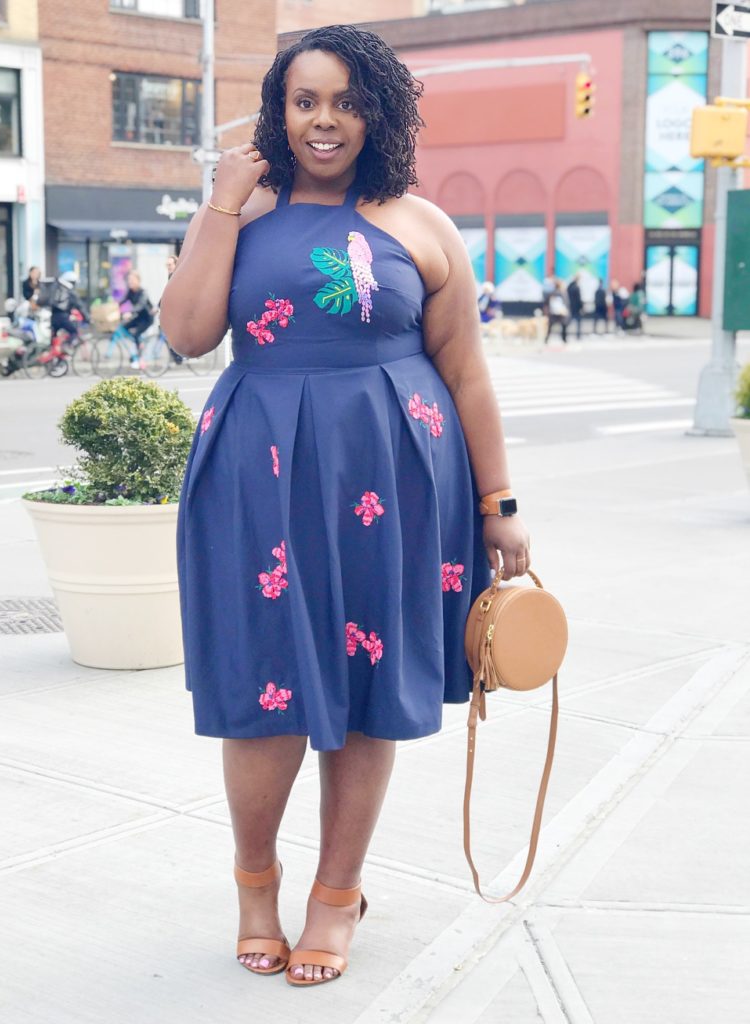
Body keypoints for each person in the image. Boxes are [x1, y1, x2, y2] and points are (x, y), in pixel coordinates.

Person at [161, 25, 530, 988]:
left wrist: (498, 502)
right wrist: (220, 204)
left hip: (394, 482)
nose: (325, 121)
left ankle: (337, 895)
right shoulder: (243, 210)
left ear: (380, 114)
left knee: (367, 692)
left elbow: (466, 371)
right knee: (263, 690)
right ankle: (255, 884)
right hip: (259, 475)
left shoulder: (420, 224)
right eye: (305, 101)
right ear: (279, 112)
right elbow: (188, 333)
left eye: (348, 101)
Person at [120, 271, 156, 365]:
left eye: (132, 279)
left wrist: (130, 312)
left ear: (138, 281)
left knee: (136, 333)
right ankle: (138, 343)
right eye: (129, 280)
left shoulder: (143, 292)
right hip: (138, 317)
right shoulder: (130, 291)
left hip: (147, 319)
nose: (130, 282)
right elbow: (123, 301)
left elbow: (140, 305)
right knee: (124, 327)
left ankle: (140, 352)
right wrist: (115, 307)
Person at [50, 270, 88, 343]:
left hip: (53, 316)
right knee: (74, 332)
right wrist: (87, 318)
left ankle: (52, 348)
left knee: (53, 337)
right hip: (63, 317)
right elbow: (80, 306)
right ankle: (67, 346)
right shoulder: (70, 292)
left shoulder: (57, 289)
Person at [545, 279, 569, 343]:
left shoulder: (551, 293)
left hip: (552, 312)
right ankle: (564, 339)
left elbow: (547, 303)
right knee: (564, 326)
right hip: (561, 312)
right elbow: (566, 303)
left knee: (550, 327)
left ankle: (546, 339)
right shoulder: (562, 293)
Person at [566, 273, 583, 340]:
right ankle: (578, 335)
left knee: (569, 320)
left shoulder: (569, 286)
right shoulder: (576, 287)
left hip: (570, 305)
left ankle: (565, 333)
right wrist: (581, 307)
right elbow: (578, 299)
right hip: (576, 307)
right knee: (578, 321)